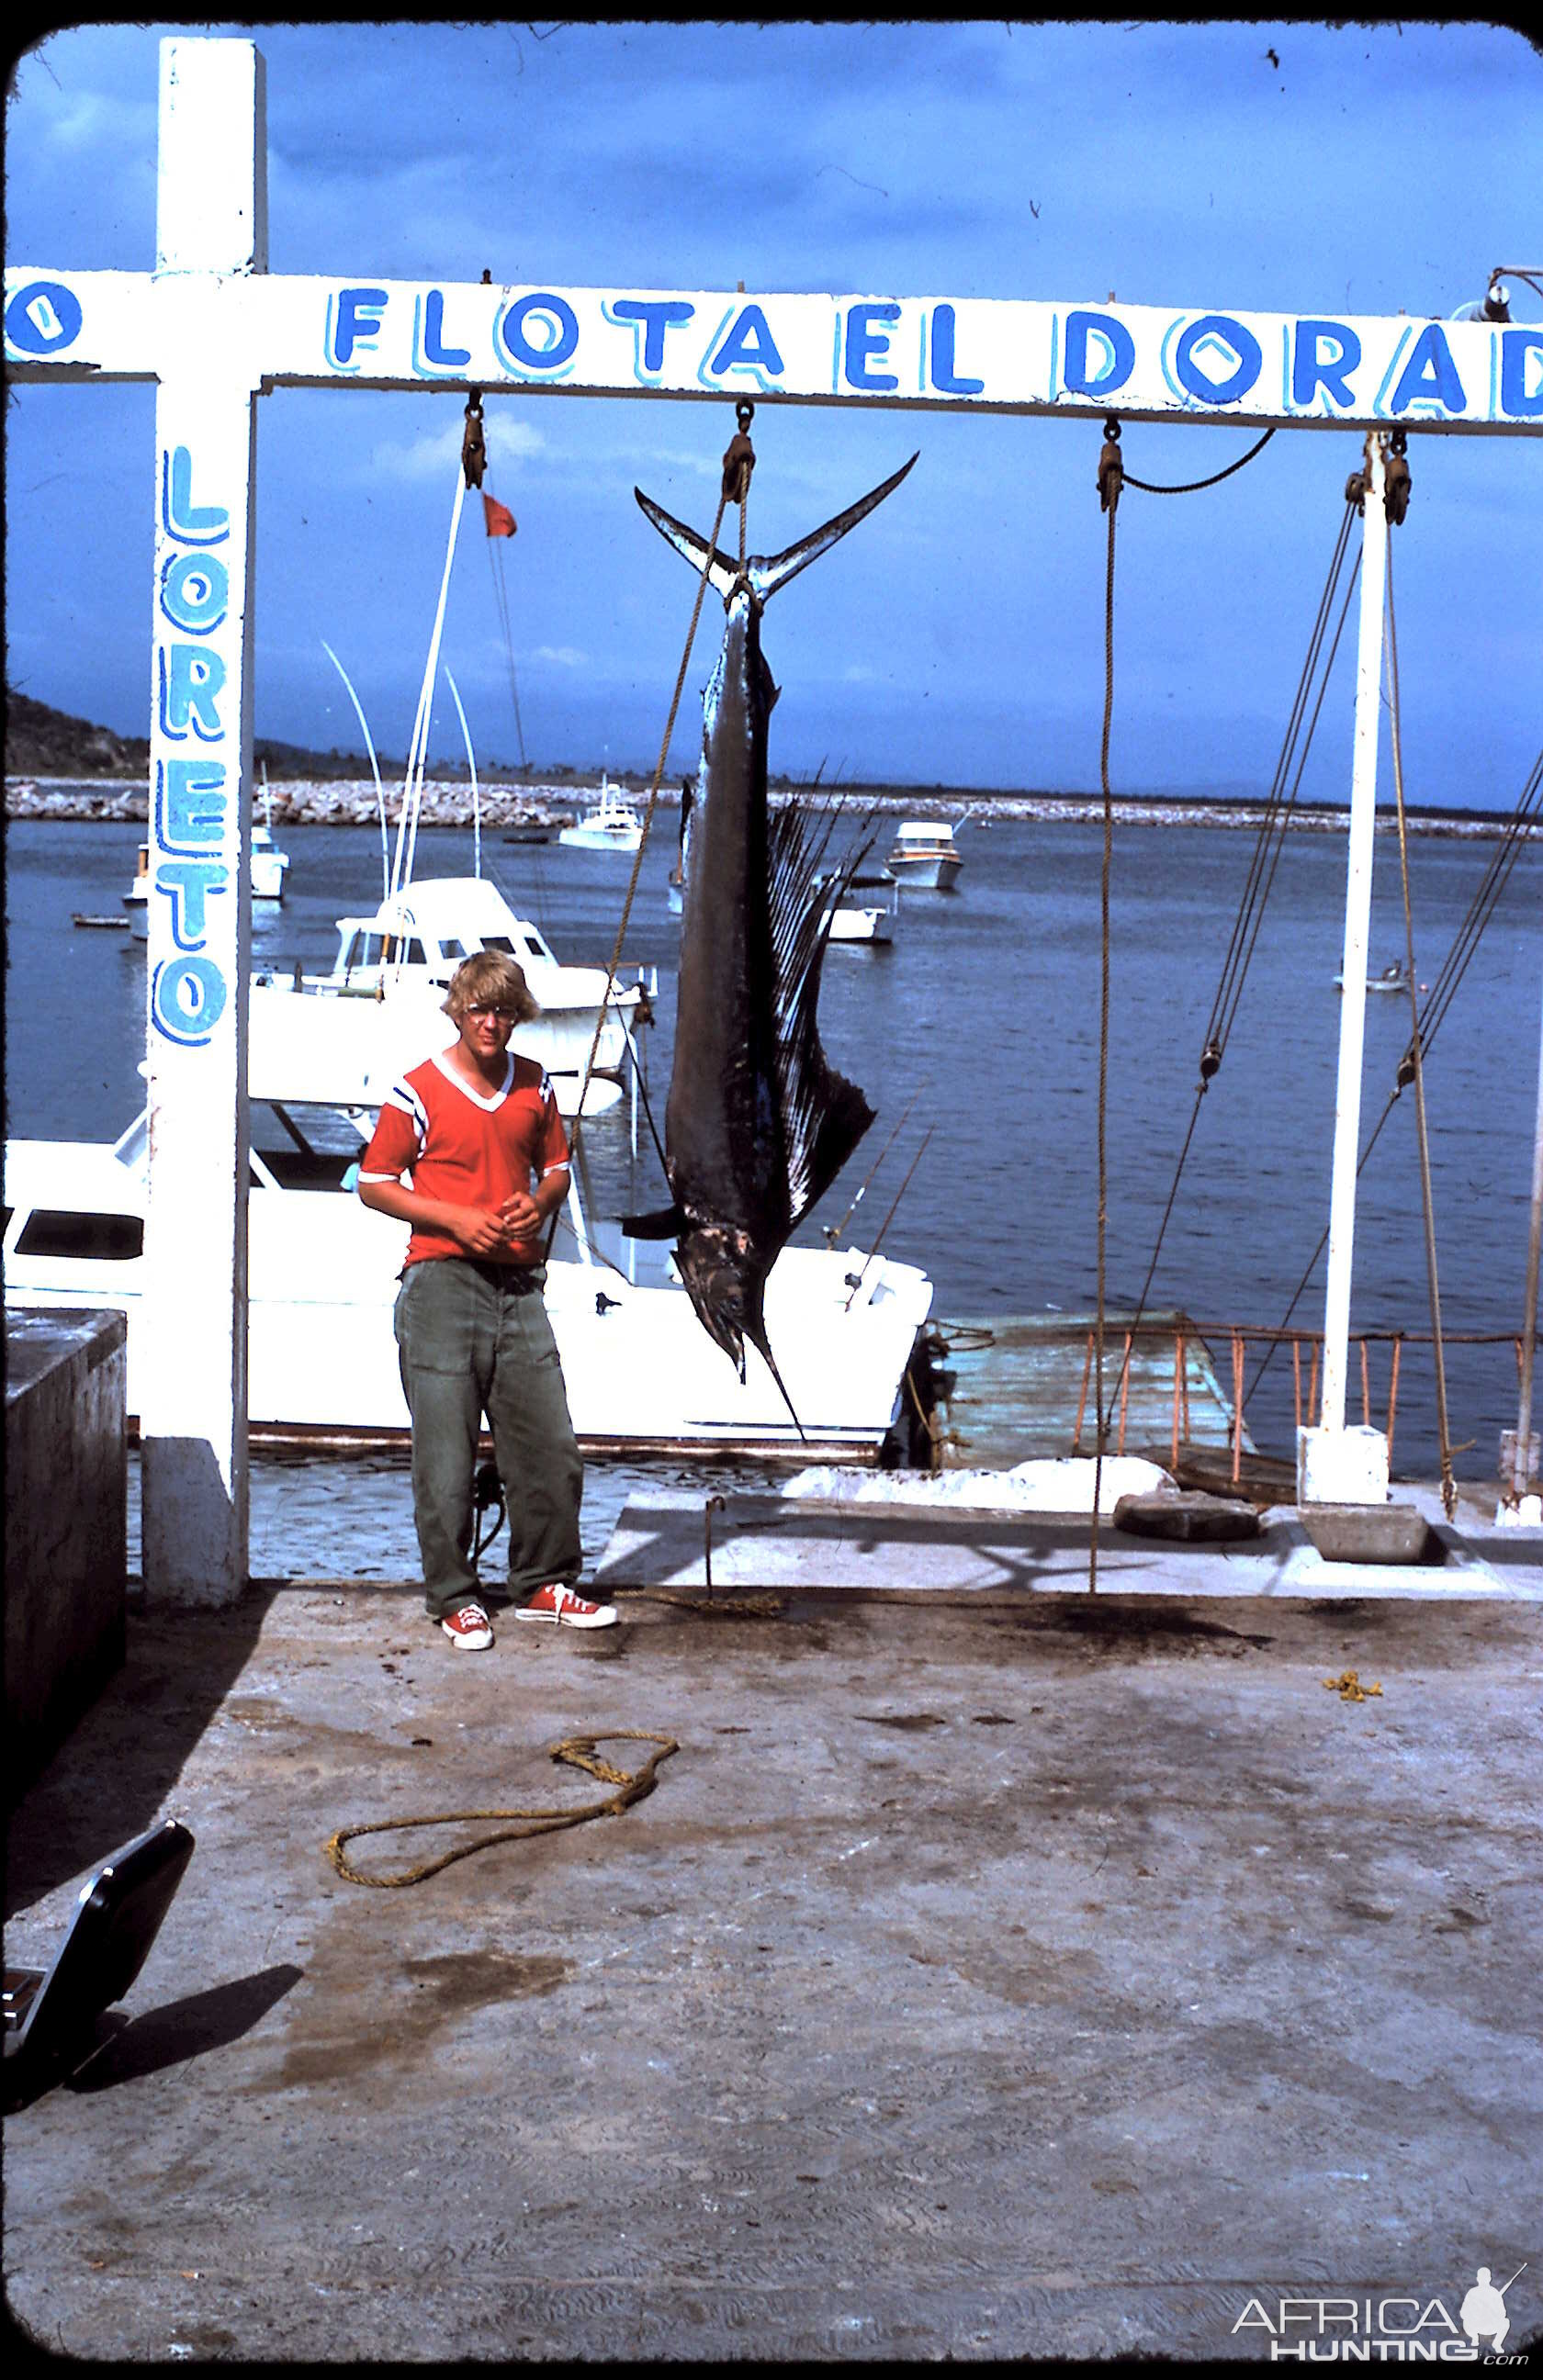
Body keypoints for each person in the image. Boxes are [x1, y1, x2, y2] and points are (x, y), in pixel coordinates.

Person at [356, 949, 617, 1647]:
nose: (491, 1023)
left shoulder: (536, 1086)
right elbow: (374, 1182)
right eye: (479, 1009)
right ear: (457, 1011)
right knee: (444, 1460)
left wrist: (539, 1203)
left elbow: (557, 1166)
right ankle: (452, 1594)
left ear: (519, 1015)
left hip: (519, 1287)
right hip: (440, 1286)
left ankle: (542, 1582)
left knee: (551, 1447)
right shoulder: (418, 1088)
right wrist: (455, 1219)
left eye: (504, 1011)